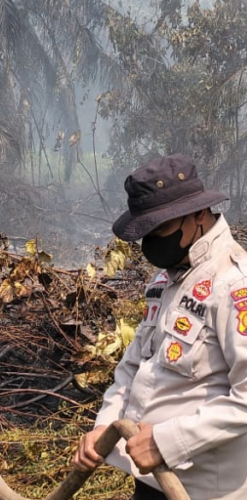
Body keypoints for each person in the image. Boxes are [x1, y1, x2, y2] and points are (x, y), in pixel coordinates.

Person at [72, 154, 247, 500]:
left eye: (160, 228)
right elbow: (135, 365)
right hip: (153, 480)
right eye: (146, 231)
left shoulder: (234, 283)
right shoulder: (167, 277)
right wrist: (105, 426)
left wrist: (167, 441)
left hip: (203, 489)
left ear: (198, 214)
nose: (151, 241)